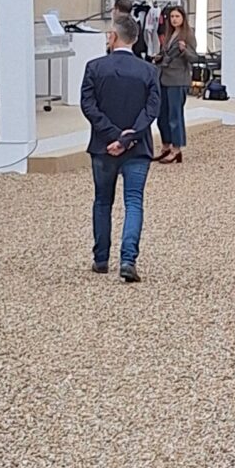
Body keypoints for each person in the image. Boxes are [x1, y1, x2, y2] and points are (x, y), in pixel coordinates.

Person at [79, 15, 160, 283]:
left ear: (114, 36)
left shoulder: (94, 67)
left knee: (103, 201)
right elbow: (152, 110)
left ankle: (101, 258)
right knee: (133, 201)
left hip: (103, 146)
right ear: (135, 39)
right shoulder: (148, 71)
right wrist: (128, 137)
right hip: (136, 147)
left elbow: (89, 106)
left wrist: (112, 135)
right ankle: (128, 259)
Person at [154, 3, 194, 161]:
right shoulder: (168, 34)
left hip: (178, 79)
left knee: (174, 115)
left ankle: (176, 148)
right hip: (164, 77)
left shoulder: (188, 35)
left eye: (177, 16)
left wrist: (185, 50)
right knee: (161, 114)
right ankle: (166, 144)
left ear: (183, 18)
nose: (174, 19)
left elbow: (194, 57)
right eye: (172, 17)